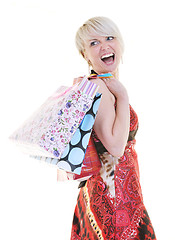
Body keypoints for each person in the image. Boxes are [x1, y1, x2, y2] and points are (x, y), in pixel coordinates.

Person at [70, 16, 156, 240]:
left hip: (117, 192)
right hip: (113, 197)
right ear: (84, 55)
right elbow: (116, 146)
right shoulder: (98, 86)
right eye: (94, 43)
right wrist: (123, 95)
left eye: (110, 37)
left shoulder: (103, 84)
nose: (104, 45)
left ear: (120, 43)